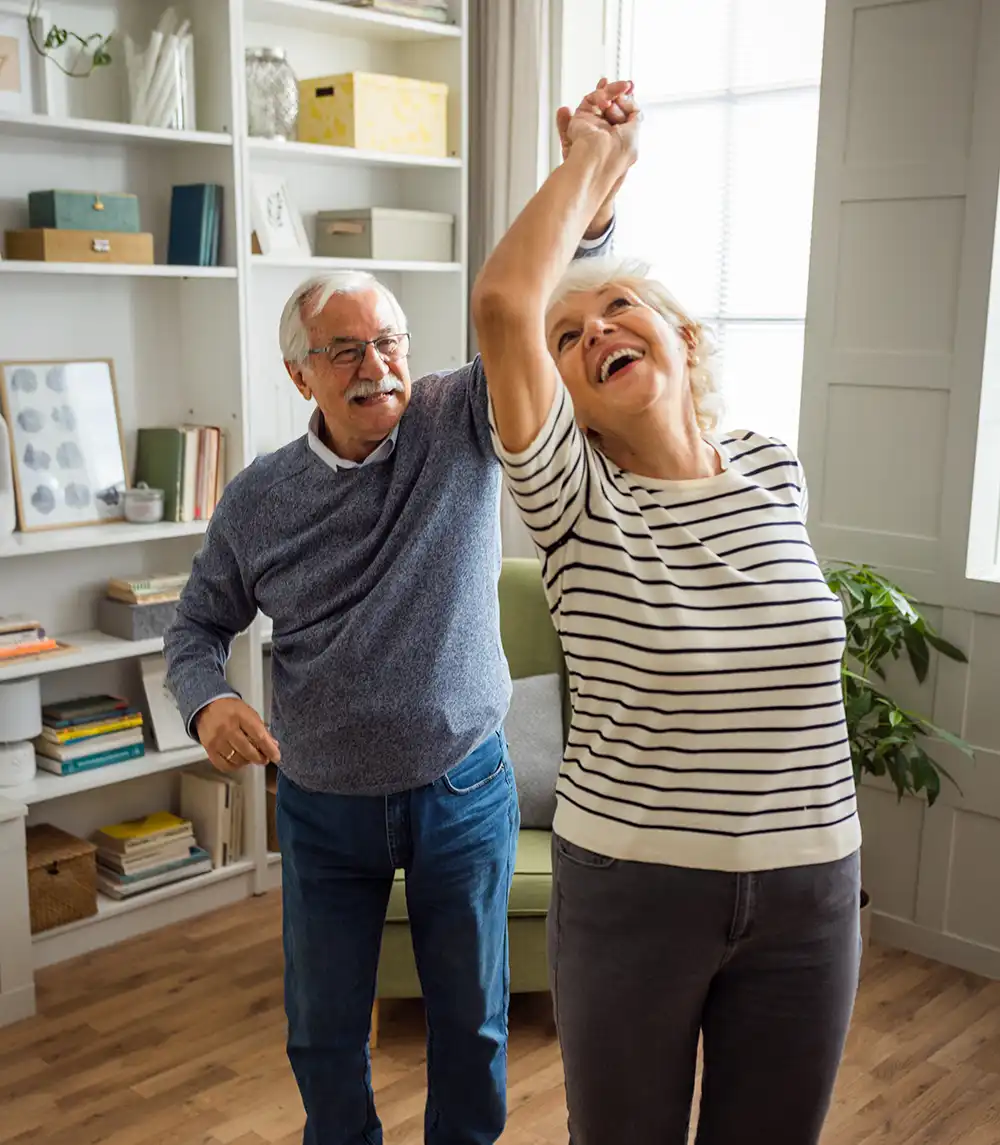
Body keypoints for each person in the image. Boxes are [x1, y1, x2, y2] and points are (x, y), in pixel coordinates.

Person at [162, 95, 620, 1145]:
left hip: (462, 780)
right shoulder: (258, 498)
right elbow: (194, 626)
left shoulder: (455, 421)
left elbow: (543, 309)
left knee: (473, 1022)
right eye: (345, 351)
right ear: (300, 373)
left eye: (389, 343)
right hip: (322, 800)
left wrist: (592, 206)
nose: (376, 368)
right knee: (323, 1030)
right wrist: (209, 698)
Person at [471, 80, 863, 1145]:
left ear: (681, 335)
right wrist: (595, 161)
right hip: (637, 889)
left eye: (618, 310)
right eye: (570, 338)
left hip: (811, 885)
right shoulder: (574, 500)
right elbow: (505, 303)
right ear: (564, 397)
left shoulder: (773, 469)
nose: (594, 331)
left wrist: (599, 214)